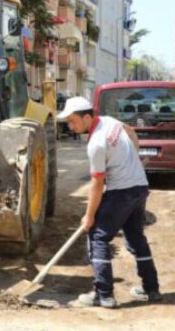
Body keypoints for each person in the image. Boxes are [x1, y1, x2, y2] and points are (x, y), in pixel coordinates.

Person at [57, 97, 161, 308]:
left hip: (121, 192)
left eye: (72, 121)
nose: (70, 126)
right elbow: (130, 131)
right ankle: (152, 289)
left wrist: (89, 216)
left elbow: (97, 184)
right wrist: (134, 159)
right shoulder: (110, 122)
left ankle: (103, 294)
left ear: (87, 117)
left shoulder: (96, 143)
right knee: (136, 238)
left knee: (97, 237)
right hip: (140, 187)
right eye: (67, 122)